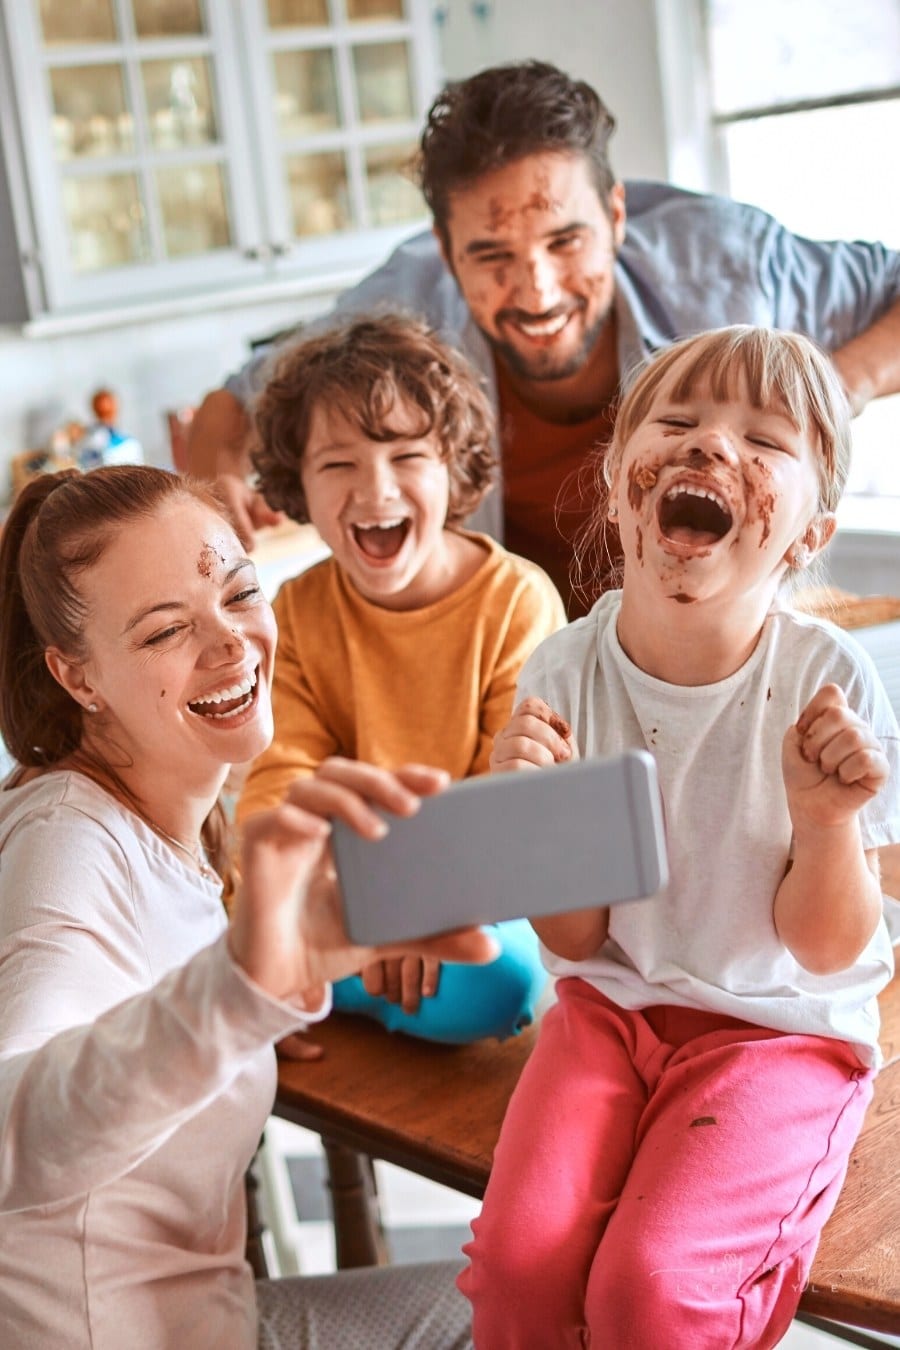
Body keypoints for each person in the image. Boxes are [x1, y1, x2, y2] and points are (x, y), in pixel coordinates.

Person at [456, 326, 900, 1348]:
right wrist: (534, 823)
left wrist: (827, 820)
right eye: (681, 422)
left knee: (647, 1293)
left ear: (806, 533)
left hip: (781, 1036)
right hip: (611, 1012)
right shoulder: (562, 674)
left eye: (763, 439)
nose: (711, 448)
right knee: (521, 1272)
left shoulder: (823, 682)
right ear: (618, 485)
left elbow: (830, 952)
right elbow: (573, 939)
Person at [0, 464, 497, 1350]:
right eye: (164, 632)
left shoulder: (165, 813)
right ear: (78, 679)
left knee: (536, 1292)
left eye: (238, 592)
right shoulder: (67, 850)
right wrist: (236, 995)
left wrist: (271, 981)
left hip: (217, 1323)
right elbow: (18, 1136)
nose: (231, 643)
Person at [186, 60, 900, 618]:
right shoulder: (403, 301)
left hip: (719, 658)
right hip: (518, 674)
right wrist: (216, 492)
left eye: (567, 241)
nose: (538, 291)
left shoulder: (724, 261)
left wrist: (835, 388)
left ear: (616, 215)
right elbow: (234, 402)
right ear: (445, 247)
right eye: (492, 256)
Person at [236, 312, 566, 1046]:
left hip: (470, 897)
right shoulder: (297, 609)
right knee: (203, 928)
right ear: (298, 487)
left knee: (499, 977)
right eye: (337, 463)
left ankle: (310, 988)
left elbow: (507, 802)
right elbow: (277, 783)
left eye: (406, 454)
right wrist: (351, 909)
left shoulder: (516, 600)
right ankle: (311, 981)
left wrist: (417, 904)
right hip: (340, 895)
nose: (373, 488)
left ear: (455, 467)